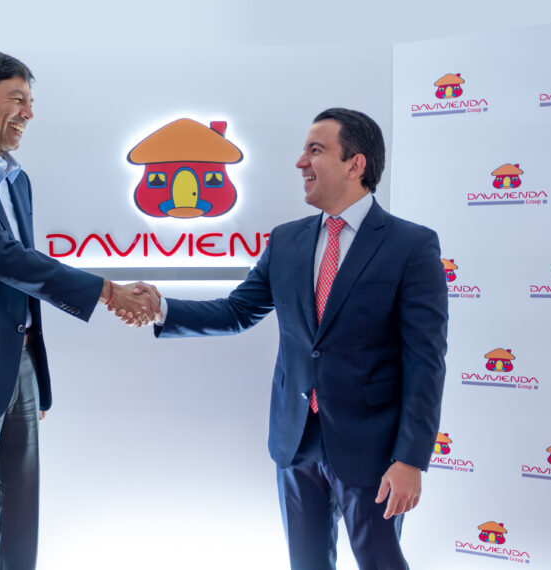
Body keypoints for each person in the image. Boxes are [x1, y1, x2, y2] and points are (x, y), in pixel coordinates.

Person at [147, 108, 448, 569]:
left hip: (373, 449)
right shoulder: (286, 241)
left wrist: (411, 459)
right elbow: (237, 311)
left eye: (315, 150)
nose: (300, 162)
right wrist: (161, 308)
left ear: (356, 164)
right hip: (296, 441)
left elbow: (426, 362)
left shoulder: (411, 246)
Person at [0, 51, 158, 570]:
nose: (29, 113)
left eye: (30, 101)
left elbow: (22, 274)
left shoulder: (17, 179)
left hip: (17, 369)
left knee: (19, 521)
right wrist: (107, 291)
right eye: (17, 99)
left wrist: (33, 374)